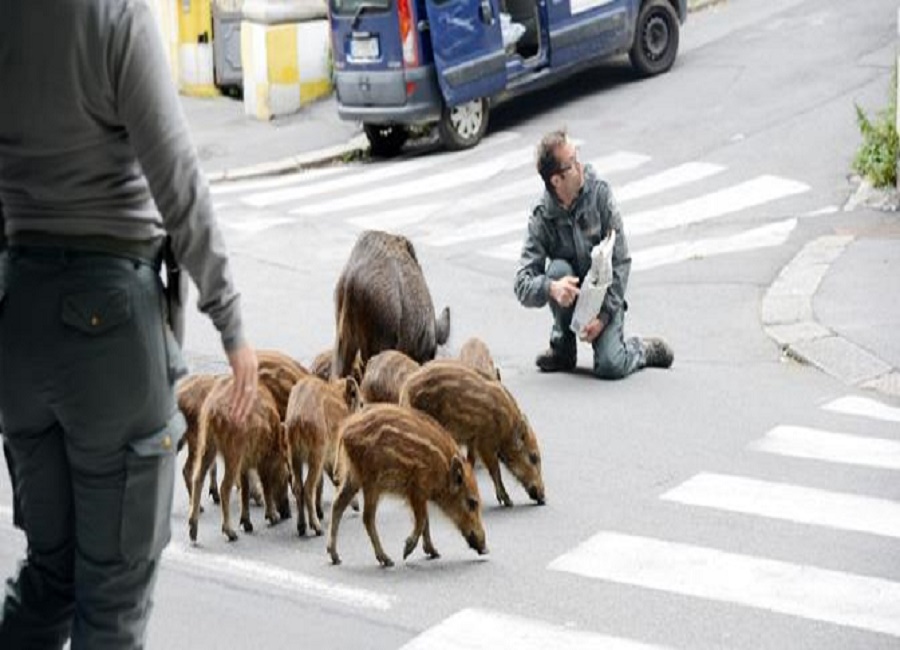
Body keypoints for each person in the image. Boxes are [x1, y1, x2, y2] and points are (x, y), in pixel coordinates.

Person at [0, 1, 259, 647]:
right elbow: (176, 180)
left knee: (49, 575)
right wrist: (229, 320)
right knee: (113, 600)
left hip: (19, 315)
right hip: (108, 327)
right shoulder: (113, 14)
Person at [514, 129, 673, 378]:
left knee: (611, 366)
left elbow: (621, 261)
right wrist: (551, 288)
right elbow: (521, 284)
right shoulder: (542, 216)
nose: (581, 165)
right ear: (556, 180)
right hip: (572, 296)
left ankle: (641, 349)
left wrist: (604, 315)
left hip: (603, 297)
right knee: (557, 271)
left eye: (577, 156)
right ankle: (563, 348)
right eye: (572, 162)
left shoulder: (600, 195)